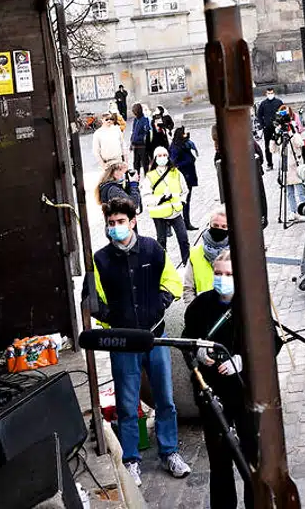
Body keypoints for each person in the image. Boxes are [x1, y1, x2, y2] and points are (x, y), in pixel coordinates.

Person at [91, 197, 190, 486]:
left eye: (121, 222)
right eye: (111, 223)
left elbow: (172, 281)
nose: (116, 228)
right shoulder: (101, 259)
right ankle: (131, 460)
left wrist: (160, 303)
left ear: (133, 221)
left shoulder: (153, 249)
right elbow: (95, 301)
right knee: (127, 403)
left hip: (155, 336)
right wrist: (113, 318)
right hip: (123, 342)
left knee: (165, 399)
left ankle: (170, 452)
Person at [182, 251, 273, 509]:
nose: (222, 279)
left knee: (251, 455)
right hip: (213, 394)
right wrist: (197, 351)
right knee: (219, 460)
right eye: (218, 274)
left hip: (245, 393)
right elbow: (187, 338)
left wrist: (244, 360)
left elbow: (271, 342)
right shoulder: (200, 305)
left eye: (229, 274)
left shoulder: (253, 303)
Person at [144, 146, 190, 267]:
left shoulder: (176, 173)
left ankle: (187, 263)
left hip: (175, 211)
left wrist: (182, 202)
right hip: (159, 213)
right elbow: (146, 197)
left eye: (164, 155)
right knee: (161, 241)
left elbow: (184, 190)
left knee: (183, 238)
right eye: (159, 156)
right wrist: (160, 199)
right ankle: (163, 266)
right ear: (155, 158)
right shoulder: (150, 176)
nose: (162, 158)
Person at [184, 207, 231, 297]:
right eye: (215, 226)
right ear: (209, 225)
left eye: (224, 226)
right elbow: (188, 289)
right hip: (203, 309)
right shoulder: (195, 253)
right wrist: (194, 309)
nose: (219, 229)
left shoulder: (240, 253)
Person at [170, 126, 201, 231]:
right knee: (183, 200)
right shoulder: (176, 147)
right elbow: (173, 163)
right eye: (184, 133)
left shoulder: (186, 144)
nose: (186, 135)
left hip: (189, 175)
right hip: (183, 177)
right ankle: (182, 223)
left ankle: (186, 222)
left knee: (187, 200)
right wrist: (187, 162)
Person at [255, 86, 283, 169]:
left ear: (274, 93)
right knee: (267, 147)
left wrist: (281, 124)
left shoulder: (279, 102)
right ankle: (269, 164)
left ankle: (282, 163)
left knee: (281, 145)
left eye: (271, 93)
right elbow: (259, 115)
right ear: (266, 94)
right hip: (267, 128)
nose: (270, 94)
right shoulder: (263, 104)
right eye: (269, 93)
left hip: (277, 127)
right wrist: (262, 124)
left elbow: (283, 112)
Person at [129, 103, 153, 175]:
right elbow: (133, 131)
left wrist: (140, 139)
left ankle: (147, 177)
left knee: (145, 163)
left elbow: (146, 132)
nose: (134, 113)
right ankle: (137, 177)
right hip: (135, 145)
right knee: (136, 163)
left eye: (135, 111)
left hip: (142, 146)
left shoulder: (144, 120)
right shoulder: (135, 120)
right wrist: (132, 142)